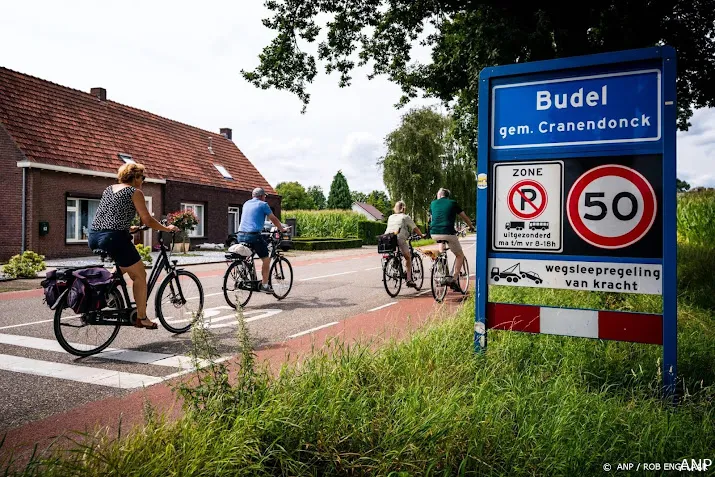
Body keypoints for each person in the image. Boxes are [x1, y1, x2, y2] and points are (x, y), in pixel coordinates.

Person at [88, 163, 179, 329]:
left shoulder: (109, 189)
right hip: (114, 238)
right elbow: (148, 220)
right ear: (135, 177)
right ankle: (142, 317)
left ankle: (106, 293)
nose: (143, 181)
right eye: (142, 177)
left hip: (95, 236)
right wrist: (167, 228)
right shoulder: (135, 192)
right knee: (140, 275)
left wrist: (129, 227)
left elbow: (109, 217)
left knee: (123, 267)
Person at [236, 187, 287, 293]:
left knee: (248, 256)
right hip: (253, 235)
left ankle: (245, 273)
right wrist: (282, 229)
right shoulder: (263, 205)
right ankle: (264, 285)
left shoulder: (246, 203)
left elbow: (252, 218)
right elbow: (273, 218)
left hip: (240, 234)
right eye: (265, 196)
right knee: (266, 259)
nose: (265, 198)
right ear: (262, 196)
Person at [429, 188, 475, 291]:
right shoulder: (453, 203)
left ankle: (442, 273)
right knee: (460, 255)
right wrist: (471, 226)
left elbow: (432, 218)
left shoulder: (433, 203)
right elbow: (464, 217)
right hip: (448, 232)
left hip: (434, 233)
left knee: (441, 250)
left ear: (440, 195)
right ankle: (454, 279)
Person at [384, 201, 423, 288]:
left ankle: (395, 261)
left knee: (397, 251)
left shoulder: (390, 217)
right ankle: (409, 279)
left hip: (388, 238)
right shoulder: (405, 217)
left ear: (395, 208)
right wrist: (422, 235)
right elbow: (415, 228)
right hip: (399, 238)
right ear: (403, 208)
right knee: (408, 257)